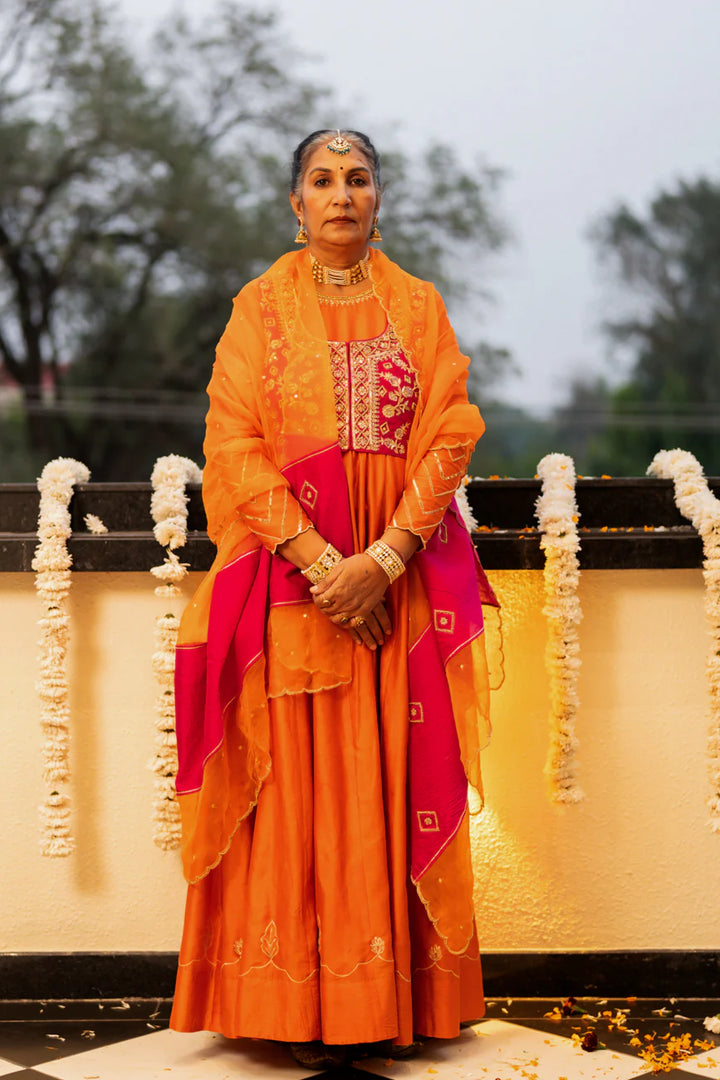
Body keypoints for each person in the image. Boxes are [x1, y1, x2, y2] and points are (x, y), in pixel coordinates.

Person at [169, 129, 497, 1068]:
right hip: (288, 579)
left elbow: (451, 428)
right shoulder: (258, 310)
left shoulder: (419, 307)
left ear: (380, 199)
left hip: (396, 581)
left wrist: (384, 560)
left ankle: (398, 998)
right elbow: (230, 445)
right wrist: (324, 564)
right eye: (323, 179)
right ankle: (282, 1004)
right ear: (295, 204)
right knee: (296, 785)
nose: (341, 193)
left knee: (389, 773)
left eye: (358, 178)